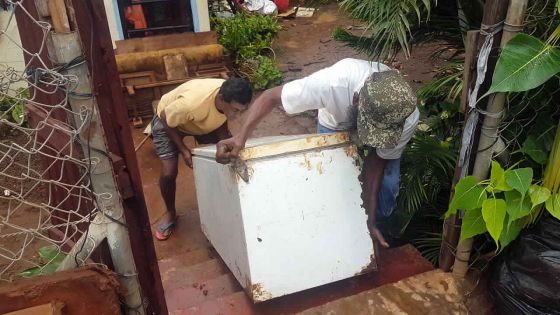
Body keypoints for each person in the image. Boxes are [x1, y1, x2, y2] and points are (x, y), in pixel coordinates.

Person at [215, 58, 419, 248]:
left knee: (388, 188)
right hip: (335, 124)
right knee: (333, 180)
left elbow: (376, 164)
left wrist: (370, 220)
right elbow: (270, 97)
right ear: (356, 101)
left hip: (385, 130)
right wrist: (240, 138)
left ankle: (375, 232)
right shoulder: (331, 84)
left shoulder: (405, 117)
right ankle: (336, 230)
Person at [152, 77, 252, 240]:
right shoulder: (191, 104)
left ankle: (227, 201)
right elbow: (165, 118)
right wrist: (183, 149)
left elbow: (220, 118)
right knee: (168, 173)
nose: (238, 115)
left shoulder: (227, 96)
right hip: (169, 122)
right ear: (221, 100)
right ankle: (170, 212)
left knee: (229, 154)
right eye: (235, 110)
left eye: (242, 110)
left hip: (204, 120)